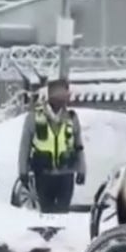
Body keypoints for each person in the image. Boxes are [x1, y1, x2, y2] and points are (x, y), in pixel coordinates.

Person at [17, 78, 86, 213]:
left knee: (62, 212)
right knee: (46, 211)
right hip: (43, 174)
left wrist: (81, 170)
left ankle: (61, 234)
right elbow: (25, 146)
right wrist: (23, 171)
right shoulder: (35, 117)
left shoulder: (71, 118)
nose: (65, 98)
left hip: (66, 174)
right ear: (52, 95)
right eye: (62, 94)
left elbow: (78, 145)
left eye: (65, 94)